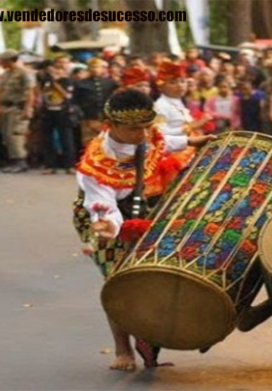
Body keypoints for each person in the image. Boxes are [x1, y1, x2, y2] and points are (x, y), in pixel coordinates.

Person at [73, 88, 214, 370]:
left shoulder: (146, 136)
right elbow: (104, 206)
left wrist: (192, 140)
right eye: (134, 129)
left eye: (146, 127)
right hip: (102, 217)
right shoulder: (95, 163)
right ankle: (123, 350)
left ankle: (155, 335)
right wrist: (121, 229)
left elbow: (162, 142)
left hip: (137, 205)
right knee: (119, 279)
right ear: (111, 126)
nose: (143, 134)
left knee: (159, 267)